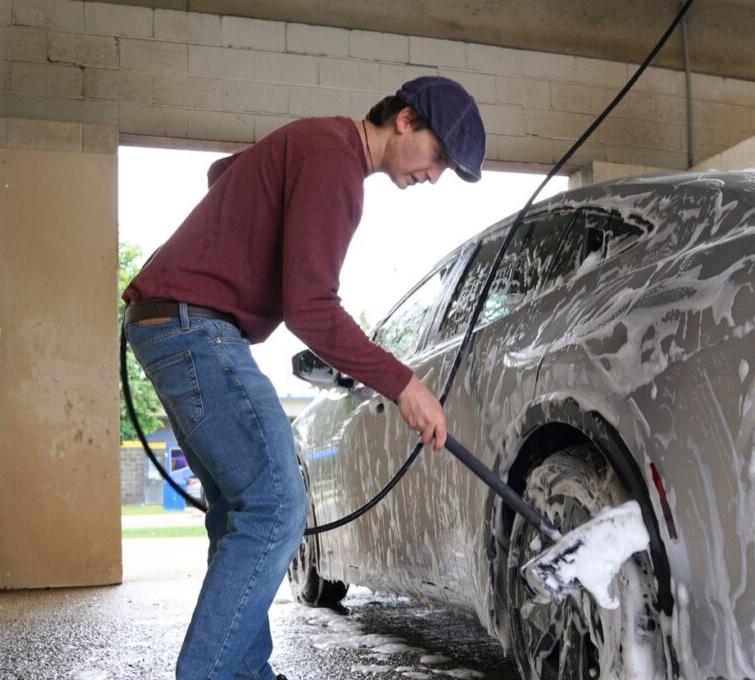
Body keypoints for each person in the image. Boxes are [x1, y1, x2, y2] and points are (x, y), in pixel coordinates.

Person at [121, 76, 485, 679]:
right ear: (404, 120)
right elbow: (311, 309)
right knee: (277, 508)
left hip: (169, 325)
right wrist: (404, 383)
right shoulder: (335, 160)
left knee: (240, 512)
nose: (434, 175)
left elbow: (224, 172)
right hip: (194, 330)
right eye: (438, 154)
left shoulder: (317, 148)